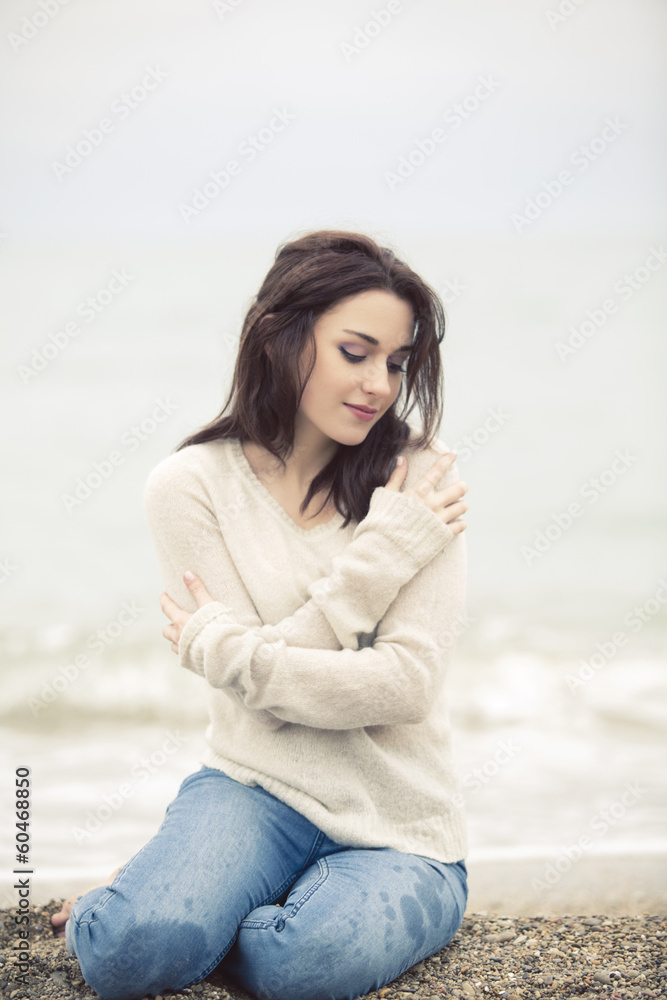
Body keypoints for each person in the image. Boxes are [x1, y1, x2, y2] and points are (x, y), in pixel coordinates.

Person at [51, 229, 470, 1000]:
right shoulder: (189, 487)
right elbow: (265, 713)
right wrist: (381, 558)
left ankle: (199, 909)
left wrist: (233, 655)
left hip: (397, 824)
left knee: (300, 964)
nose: (379, 383)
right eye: (355, 351)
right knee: (128, 955)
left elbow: (404, 685)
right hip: (253, 789)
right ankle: (130, 911)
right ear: (283, 336)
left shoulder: (422, 479)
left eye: (397, 361)